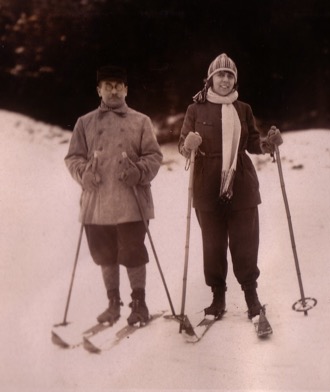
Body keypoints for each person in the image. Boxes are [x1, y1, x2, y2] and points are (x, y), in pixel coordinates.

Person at [178, 53, 282, 324]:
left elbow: (254, 142)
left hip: (242, 182)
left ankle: (251, 296)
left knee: (245, 242)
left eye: (229, 75)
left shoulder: (243, 108)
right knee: (212, 244)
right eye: (219, 74)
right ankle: (218, 296)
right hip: (206, 183)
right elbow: (182, 146)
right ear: (210, 78)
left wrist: (269, 144)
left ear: (234, 80)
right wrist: (188, 144)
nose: (224, 79)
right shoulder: (195, 109)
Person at [65, 65, 163, 326]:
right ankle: (112, 304)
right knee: (104, 254)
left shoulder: (141, 121)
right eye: (108, 85)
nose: (114, 90)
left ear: (126, 89)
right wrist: (83, 175)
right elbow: (73, 157)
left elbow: (154, 156)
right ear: (99, 90)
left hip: (131, 201)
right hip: (96, 203)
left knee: (132, 252)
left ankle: (139, 304)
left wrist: (139, 172)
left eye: (119, 85)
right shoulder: (84, 123)